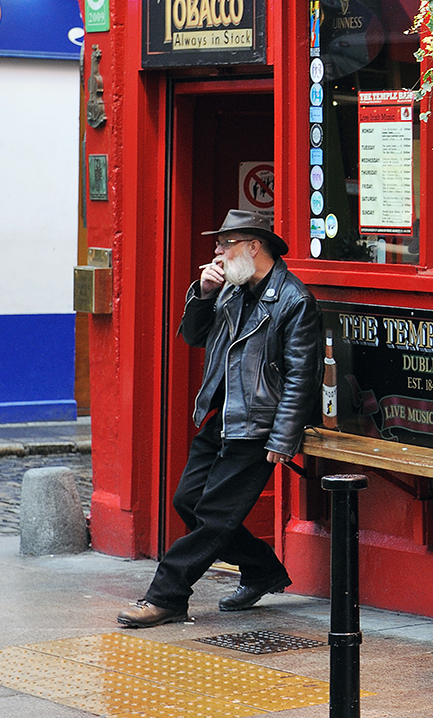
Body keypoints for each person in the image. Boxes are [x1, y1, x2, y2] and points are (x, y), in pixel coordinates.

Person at [117, 209, 323, 628]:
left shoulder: (293, 300)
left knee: (212, 517)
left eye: (225, 244)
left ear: (253, 246)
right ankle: (263, 569)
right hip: (223, 416)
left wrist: (282, 438)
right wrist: (204, 292)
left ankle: (167, 596)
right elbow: (193, 336)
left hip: (259, 426)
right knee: (187, 502)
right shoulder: (230, 290)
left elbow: (303, 375)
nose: (217, 252)